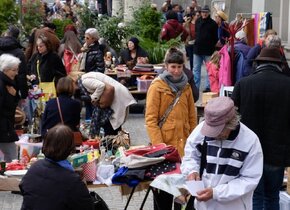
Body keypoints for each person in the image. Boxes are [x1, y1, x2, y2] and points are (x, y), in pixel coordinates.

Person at [231, 47, 290, 210]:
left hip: (248, 151)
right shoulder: (287, 85)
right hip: (277, 151)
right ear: (280, 65)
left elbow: (231, 119)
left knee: (255, 196)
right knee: (272, 196)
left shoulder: (244, 83)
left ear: (258, 64)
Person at [181, 96, 263, 210]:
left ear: (231, 124)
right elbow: (190, 156)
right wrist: (192, 171)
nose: (213, 134)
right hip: (203, 206)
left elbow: (249, 179)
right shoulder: (200, 131)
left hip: (234, 206)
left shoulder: (250, 141)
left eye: (218, 131)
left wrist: (216, 193)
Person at [145, 48, 197, 210]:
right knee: (164, 195)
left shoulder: (186, 87)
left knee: (182, 193)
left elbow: (192, 117)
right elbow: (151, 120)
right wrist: (161, 148)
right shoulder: (157, 86)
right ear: (166, 66)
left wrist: (193, 141)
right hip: (165, 148)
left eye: (179, 67)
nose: (176, 71)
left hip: (183, 148)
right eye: (173, 66)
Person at [20, 124, 94, 210]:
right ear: (70, 148)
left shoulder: (34, 167)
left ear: (45, 144)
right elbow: (87, 206)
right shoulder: (72, 180)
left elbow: (24, 189)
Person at [69, 71, 136, 137]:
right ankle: (114, 143)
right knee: (113, 125)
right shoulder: (85, 78)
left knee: (111, 125)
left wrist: (93, 98)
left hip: (117, 97)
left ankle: (111, 144)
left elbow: (101, 85)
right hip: (116, 96)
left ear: (73, 81)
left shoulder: (84, 81)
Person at [0, 54, 21, 162]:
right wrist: (12, 97)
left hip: (5, 126)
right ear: (6, 69)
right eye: (14, 70)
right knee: (13, 157)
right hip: (4, 127)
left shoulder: (8, 83)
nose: (16, 73)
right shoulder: (3, 84)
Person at [193, 5, 218, 92]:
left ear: (209, 13)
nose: (204, 14)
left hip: (208, 50)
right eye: (203, 12)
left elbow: (216, 38)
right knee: (196, 70)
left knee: (209, 70)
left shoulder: (213, 24)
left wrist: (213, 47)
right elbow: (196, 33)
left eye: (206, 12)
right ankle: (195, 88)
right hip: (197, 49)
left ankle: (208, 87)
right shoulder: (198, 21)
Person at [0, 26, 28, 100]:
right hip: (12, 88)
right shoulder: (19, 52)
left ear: (6, 34)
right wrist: (24, 94)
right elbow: (21, 74)